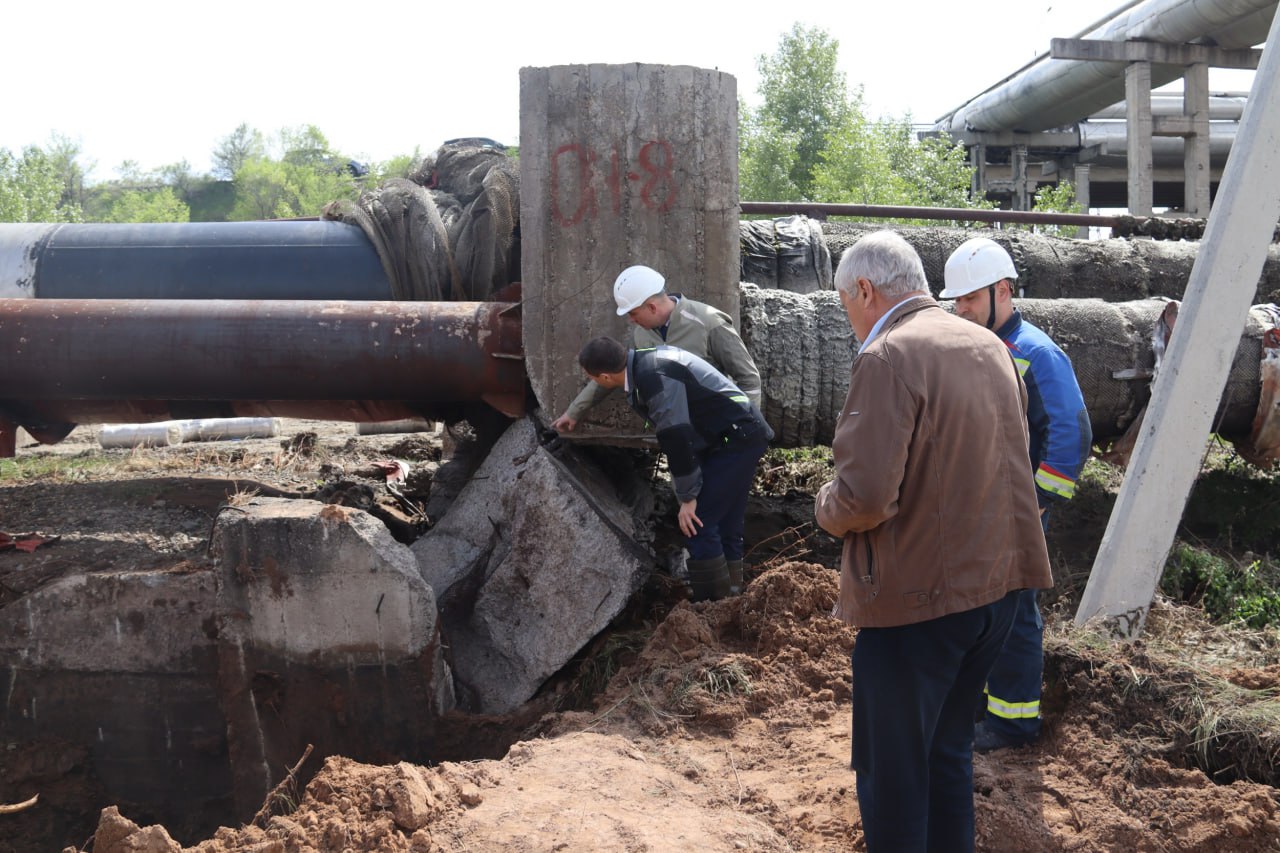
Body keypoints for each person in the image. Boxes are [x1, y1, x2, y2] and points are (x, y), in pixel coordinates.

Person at [814, 230, 1052, 852]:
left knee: (890, 774)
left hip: (917, 605)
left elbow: (863, 498)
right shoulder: (987, 345)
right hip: (994, 594)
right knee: (947, 755)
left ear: (865, 289)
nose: (850, 320)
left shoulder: (888, 355)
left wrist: (824, 506)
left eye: (846, 303)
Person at [941, 236, 1093, 753]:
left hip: (1016, 512)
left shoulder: (1036, 352)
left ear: (1002, 291)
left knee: (1015, 611)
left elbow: (1073, 433)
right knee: (984, 608)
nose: (959, 310)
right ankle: (987, 705)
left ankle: (1014, 723)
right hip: (982, 509)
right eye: (955, 301)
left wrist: (1036, 503)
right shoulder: (981, 346)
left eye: (968, 300)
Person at [574, 336, 772, 602]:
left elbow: (677, 438)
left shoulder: (652, 379)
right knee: (724, 519)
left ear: (605, 376)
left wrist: (688, 498)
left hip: (736, 440)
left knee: (698, 522)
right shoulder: (646, 361)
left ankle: (712, 607)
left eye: (593, 378)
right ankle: (732, 599)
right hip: (736, 435)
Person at [552, 264, 762, 429]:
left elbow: (749, 379)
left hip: (719, 431)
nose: (631, 321)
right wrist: (574, 411)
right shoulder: (641, 335)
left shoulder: (709, 323)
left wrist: (747, 428)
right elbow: (612, 371)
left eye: (633, 313)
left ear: (651, 307)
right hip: (680, 436)